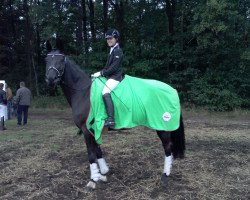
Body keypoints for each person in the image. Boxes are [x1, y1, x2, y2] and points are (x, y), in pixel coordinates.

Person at [91, 28, 124, 128]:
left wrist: (101, 73)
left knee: (105, 91)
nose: (109, 40)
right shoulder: (112, 50)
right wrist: (98, 73)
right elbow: (107, 67)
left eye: (111, 38)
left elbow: (113, 68)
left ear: (116, 39)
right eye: (107, 39)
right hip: (110, 76)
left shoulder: (118, 51)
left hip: (116, 77)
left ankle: (111, 119)